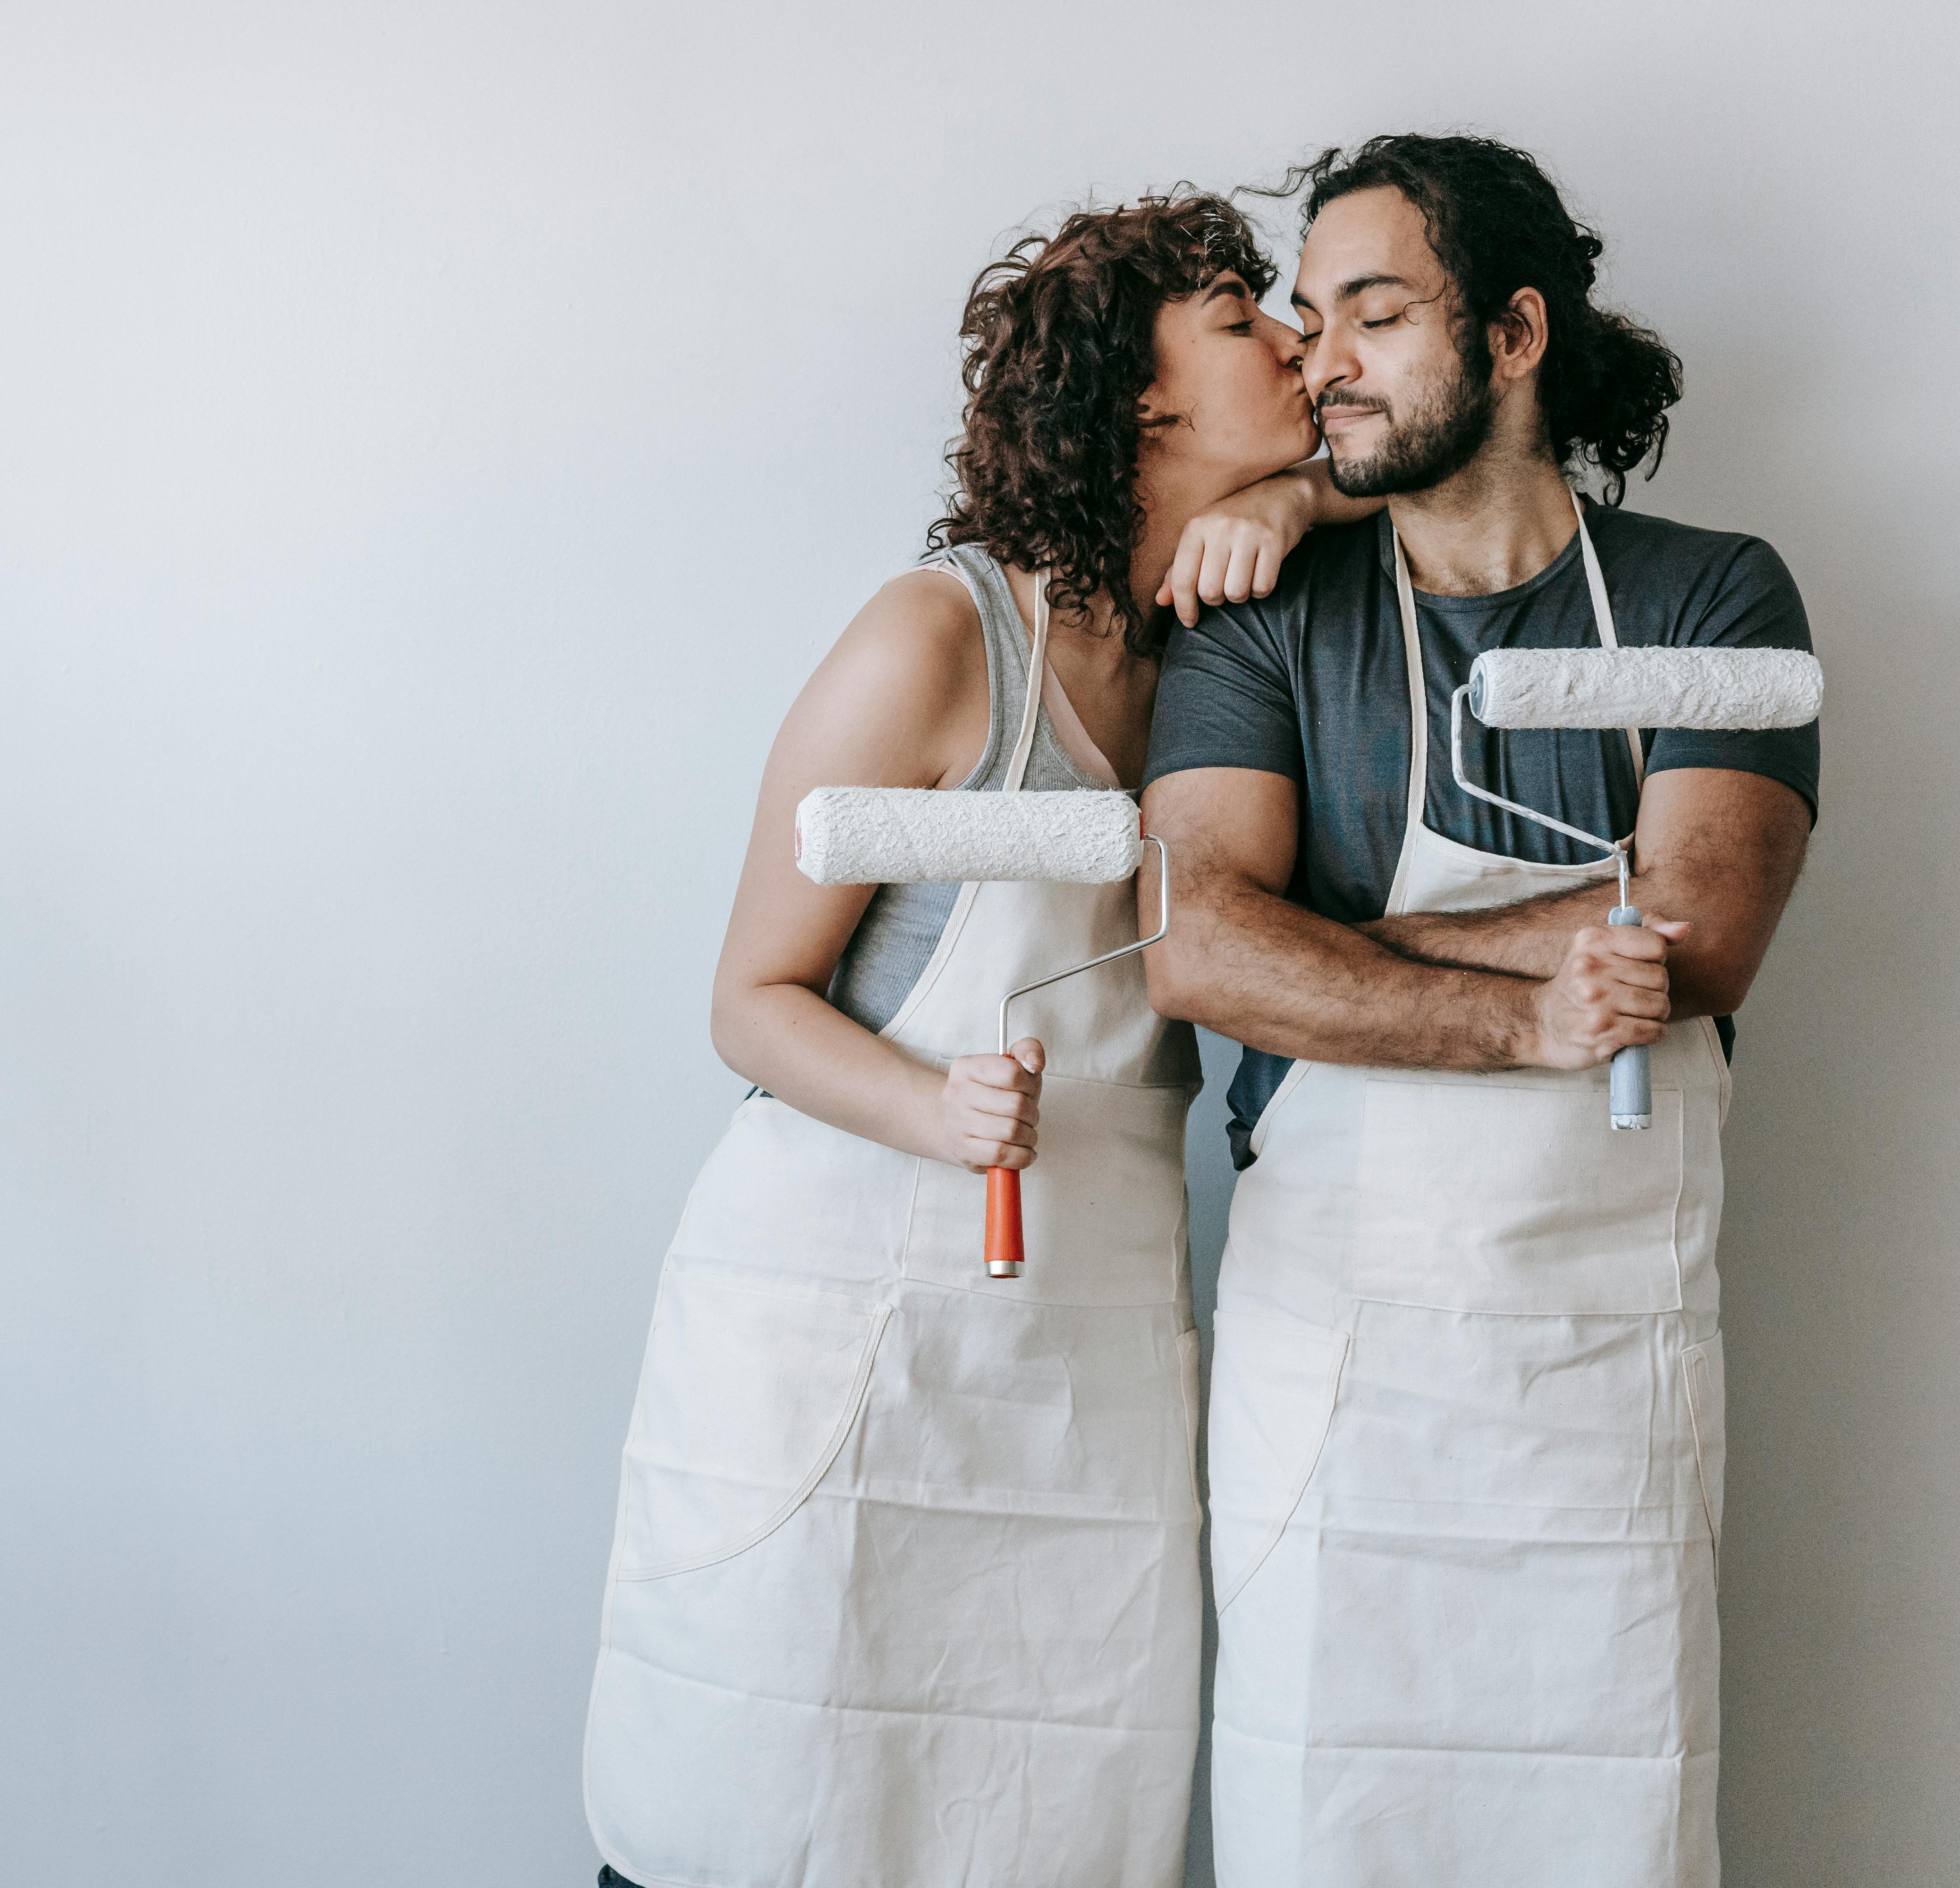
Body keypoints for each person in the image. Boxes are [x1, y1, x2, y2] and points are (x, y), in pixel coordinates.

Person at [583, 193, 1369, 1888]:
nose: (1303, 343)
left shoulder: (1232, 652)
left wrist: (1303, 489)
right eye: (1248, 319)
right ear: (1141, 401)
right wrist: (936, 1110)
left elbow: (1417, 477)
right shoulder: (940, 639)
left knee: (1046, 1822)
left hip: (1080, 1356)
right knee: (768, 1800)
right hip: (841, 1334)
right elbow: (749, 998)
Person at [1140, 135, 1816, 1888]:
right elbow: (1202, 946)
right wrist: (1541, 1000)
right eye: (1308, 322)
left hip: (1604, 1380)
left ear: (1513, 337)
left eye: (1375, 313)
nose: (1322, 361)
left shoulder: (1710, 595)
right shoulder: (1268, 616)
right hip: (1334, 1364)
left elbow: (1703, 935)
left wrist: (1352, 957)